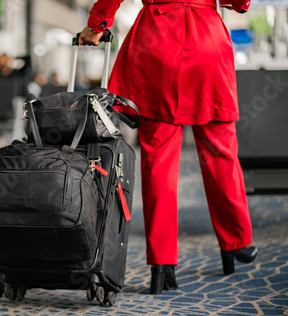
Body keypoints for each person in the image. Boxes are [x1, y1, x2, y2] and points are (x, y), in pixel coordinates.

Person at [79, 0, 258, 294]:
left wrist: (96, 26)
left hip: (156, 43)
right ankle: (236, 242)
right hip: (207, 43)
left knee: (158, 161)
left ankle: (162, 263)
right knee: (221, 152)